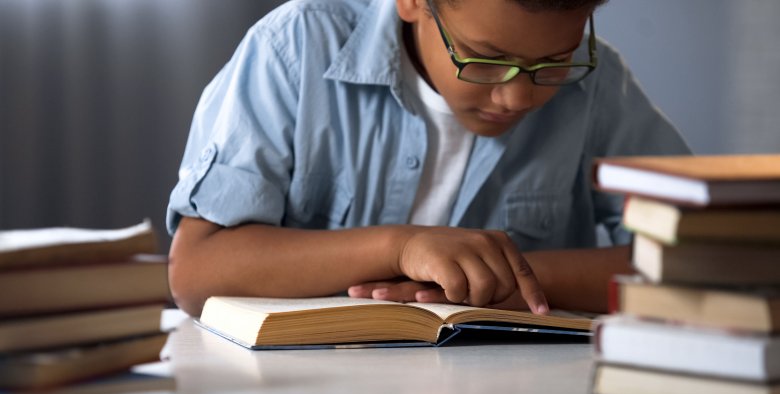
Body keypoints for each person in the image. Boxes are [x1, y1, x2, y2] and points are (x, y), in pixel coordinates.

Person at [166, 0, 690, 317]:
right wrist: (401, 247)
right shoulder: (294, 48)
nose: (517, 98)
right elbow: (197, 269)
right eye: (486, 60)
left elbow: (704, 256)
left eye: (553, 64)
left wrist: (509, 280)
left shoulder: (596, 85)